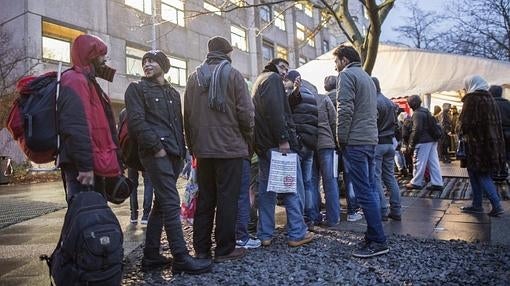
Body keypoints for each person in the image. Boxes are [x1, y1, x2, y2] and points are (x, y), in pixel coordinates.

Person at [125, 49, 212, 273]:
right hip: (155, 154)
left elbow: (178, 124)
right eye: (145, 61)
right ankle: (181, 257)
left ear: (163, 65)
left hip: (174, 154)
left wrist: (183, 150)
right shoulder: (136, 89)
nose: (147, 64)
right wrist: (156, 148)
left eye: (152, 61)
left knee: (161, 205)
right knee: (171, 203)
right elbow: (136, 122)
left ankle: (151, 256)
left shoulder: (173, 93)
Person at [183, 36, 255, 260]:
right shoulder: (233, 76)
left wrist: (192, 146)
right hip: (230, 149)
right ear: (228, 53)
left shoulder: (194, 78)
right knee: (227, 200)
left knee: (205, 199)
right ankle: (224, 248)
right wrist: (247, 138)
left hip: (203, 150)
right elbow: (246, 114)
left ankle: (201, 249)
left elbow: (187, 116)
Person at [334, 44, 388, 258]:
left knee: (363, 191)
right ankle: (374, 234)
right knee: (370, 189)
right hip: (369, 139)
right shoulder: (366, 76)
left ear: (344, 60)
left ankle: (379, 240)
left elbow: (344, 109)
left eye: (336, 61)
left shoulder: (347, 75)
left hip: (355, 140)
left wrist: (341, 138)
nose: (335, 66)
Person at [252, 58, 313, 247]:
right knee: (291, 187)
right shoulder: (272, 79)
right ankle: (297, 233)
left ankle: (265, 234)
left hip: (264, 145)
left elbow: (276, 107)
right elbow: (276, 111)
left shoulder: (261, 80)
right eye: (282, 67)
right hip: (277, 145)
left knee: (266, 191)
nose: (285, 72)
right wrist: (284, 139)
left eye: (287, 69)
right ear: (273, 65)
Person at [58, 34, 122, 203]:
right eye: (101, 54)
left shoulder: (88, 81)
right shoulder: (75, 80)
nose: (104, 59)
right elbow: (76, 126)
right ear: (90, 55)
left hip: (89, 163)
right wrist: (85, 166)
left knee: (93, 215)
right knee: (85, 215)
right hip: (81, 167)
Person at [459, 76, 505, 217]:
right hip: (490, 144)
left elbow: (465, 124)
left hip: (476, 144)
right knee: (475, 173)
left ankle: (496, 204)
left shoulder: (471, 99)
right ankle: (476, 204)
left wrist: (460, 131)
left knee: (481, 174)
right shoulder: (490, 98)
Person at [283, 70, 319, 228]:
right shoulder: (311, 95)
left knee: (296, 185)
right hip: (310, 144)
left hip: (297, 144)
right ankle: (310, 216)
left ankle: (300, 220)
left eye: (285, 81)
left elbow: (288, 110)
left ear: (290, 81)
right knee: (308, 182)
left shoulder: (292, 94)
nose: (284, 84)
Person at [324, 75, 362, 222]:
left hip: (328, 144)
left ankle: (333, 212)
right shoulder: (344, 97)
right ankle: (352, 210)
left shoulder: (322, 99)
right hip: (345, 143)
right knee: (349, 177)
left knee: (330, 178)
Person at [310, 75, 340, 227]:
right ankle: (333, 218)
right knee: (330, 181)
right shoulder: (324, 99)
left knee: (312, 182)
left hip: (310, 145)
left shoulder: (303, 100)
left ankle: (314, 216)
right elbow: (335, 121)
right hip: (327, 144)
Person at [372, 77, 402, 221]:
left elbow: (372, 124)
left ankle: (383, 210)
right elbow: (396, 125)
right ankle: (396, 210)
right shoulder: (389, 102)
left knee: (376, 177)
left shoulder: (374, 102)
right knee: (390, 177)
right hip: (390, 143)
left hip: (378, 143)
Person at [119, 108, 154, 225]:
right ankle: (146, 215)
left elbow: (119, 134)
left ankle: (133, 215)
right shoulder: (148, 110)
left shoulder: (124, 112)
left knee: (132, 184)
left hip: (130, 153)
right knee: (149, 183)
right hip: (146, 151)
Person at [405, 95, 444, 191]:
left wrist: (411, 144)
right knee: (433, 162)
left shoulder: (417, 114)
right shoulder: (426, 111)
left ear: (412, 104)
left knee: (418, 162)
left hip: (422, 141)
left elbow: (417, 130)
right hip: (432, 140)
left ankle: (416, 182)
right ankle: (437, 183)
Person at [489, 85, 510, 181]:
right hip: (508, 133)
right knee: (508, 154)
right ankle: (505, 173)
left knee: (495, 154)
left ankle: (496, 174)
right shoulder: (508, 104)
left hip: (494, 133)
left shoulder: (489, 104)